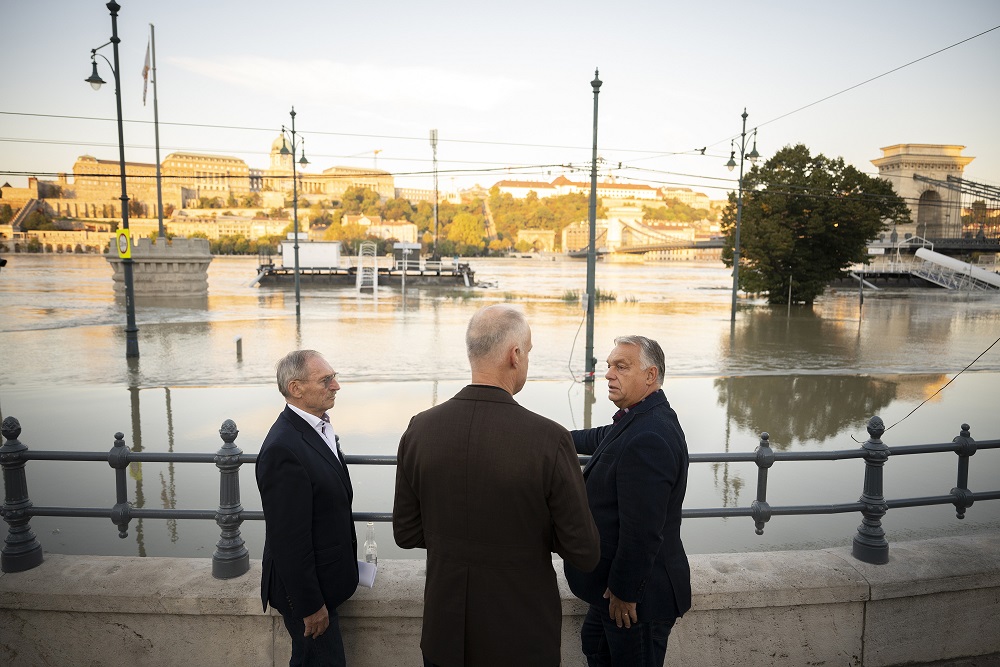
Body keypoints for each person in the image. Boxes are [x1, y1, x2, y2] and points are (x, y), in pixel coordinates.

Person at [393, 304, 601, 667]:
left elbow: (406, 533)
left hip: (445, 634)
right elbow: (583, 551)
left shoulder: (420, 429)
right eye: (529, 352)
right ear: (515, 355)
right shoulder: (548, 439)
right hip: (522, 637)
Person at [564, 335, 691, 667]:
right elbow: (600, 437)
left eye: (621, 366)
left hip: (635, 602)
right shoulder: (640, 419)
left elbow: (643, 531)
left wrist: (624, 593)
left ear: (650, 375)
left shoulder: (649, 436)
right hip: (609, 594)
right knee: (595, 645)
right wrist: (547, 437)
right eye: (609, 365)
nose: (608, 373)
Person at [256, 350, 359, 667]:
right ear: (295, 388)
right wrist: (310, 605)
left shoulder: (316, 428)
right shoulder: (283, 449)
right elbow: (288, 538)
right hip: (306, 597)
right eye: (327, 380)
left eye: (334, 377)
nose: (336, 386)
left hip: (324, 583)